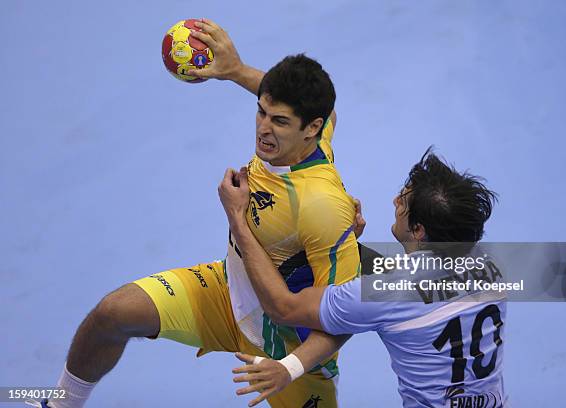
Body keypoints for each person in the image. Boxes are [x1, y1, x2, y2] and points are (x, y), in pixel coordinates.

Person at [31, 19, 359, 408]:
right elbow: (306, 108)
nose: (263, 130)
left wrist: (287, 368)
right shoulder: (317, 129)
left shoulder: (322, 205)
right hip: (226, 295)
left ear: (311, 129)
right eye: (261, 112)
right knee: (112, 314)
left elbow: (346, 315)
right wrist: (236, 72)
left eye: (280, 121)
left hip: (287, 351)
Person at [218, 149, 507, 407]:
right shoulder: (492, 266)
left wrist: (238, 220)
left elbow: (283, 307)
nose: (395, 201)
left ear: (418, 230)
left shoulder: (384, 294)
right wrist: (343, 244)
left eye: (403, 201)